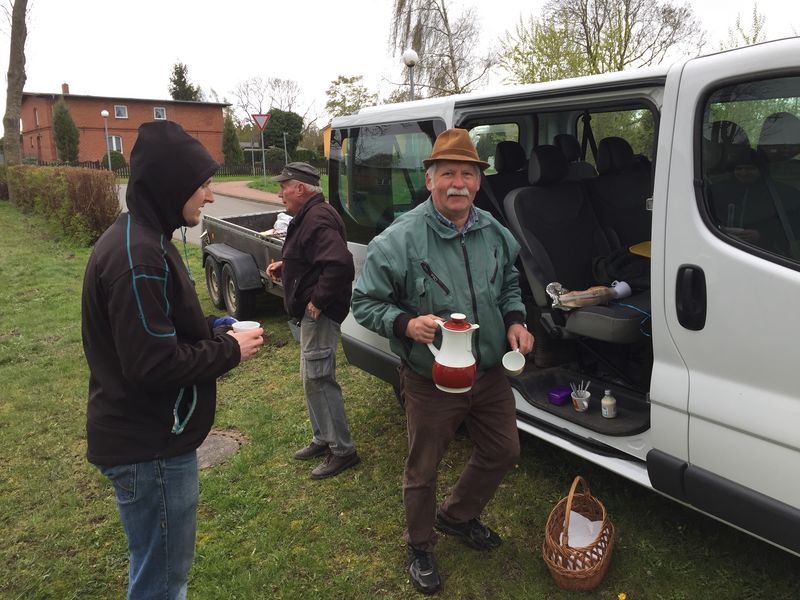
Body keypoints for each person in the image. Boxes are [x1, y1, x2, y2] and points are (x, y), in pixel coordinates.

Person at [81, 121, 264, 600]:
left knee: (155, 569)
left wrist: (214, 327)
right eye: (203, 185)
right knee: (162, 583)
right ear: (171, 185)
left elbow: (157, 326)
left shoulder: (145, 237)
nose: (210, 196)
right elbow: (153, 365)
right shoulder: (138, 257)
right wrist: (230, 350)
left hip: (148, 441)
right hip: (151, 450)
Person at [351, 128, 535, 595]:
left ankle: (457, 516)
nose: (459, 183)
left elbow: (508, 284)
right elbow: (364, 303)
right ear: (429, 179)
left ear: (478, 181)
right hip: (430, 377)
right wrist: (404, 323)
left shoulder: (492, 232)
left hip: (487, 372)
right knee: (424, 467)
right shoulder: (399, 240)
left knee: (504, 450)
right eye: (448, 173)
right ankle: (419, 545)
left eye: (468, 174)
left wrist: (515, 320)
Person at [266, 162, 359, 479]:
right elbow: (314, 258)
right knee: (311, 376)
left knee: (319, 377)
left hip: (320, 314)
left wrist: (318, 301)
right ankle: (323, 438)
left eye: (284, 187)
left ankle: (343, 451)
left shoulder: (317, 218)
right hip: (312, 313)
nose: (280, 194)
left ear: (300, 188)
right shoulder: (310, 215)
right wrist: (287, 266)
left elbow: (340, 264)